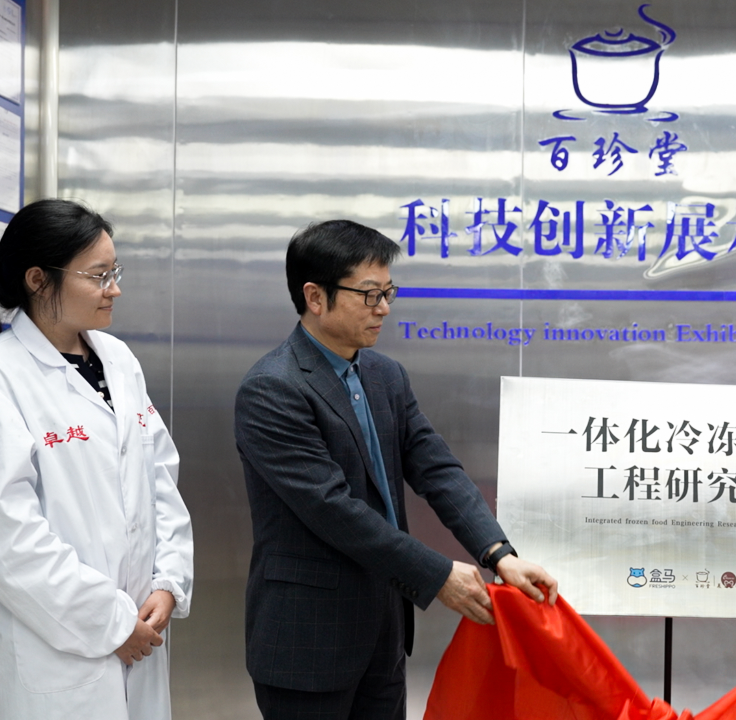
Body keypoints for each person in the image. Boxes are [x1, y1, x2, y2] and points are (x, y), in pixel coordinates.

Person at [235, 219, 558, 720]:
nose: (384, 308)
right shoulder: (273, 389)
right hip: (308, 642)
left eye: (388, 292)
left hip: (383, 636)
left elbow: (437, 468)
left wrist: (499, 554)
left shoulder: (385, 376)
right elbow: (333, 509)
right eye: (369, 295)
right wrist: (438, 575)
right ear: (315, 296)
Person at [0, 199, 194, 720]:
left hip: (142, 638)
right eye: (99, 276)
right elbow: (7, 543)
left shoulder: (119, 361)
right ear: (39, 280)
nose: (114, 289)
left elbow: (161, 481)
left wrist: (169, 582)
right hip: (60, 664)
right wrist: (110, 623)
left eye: (115, 272)